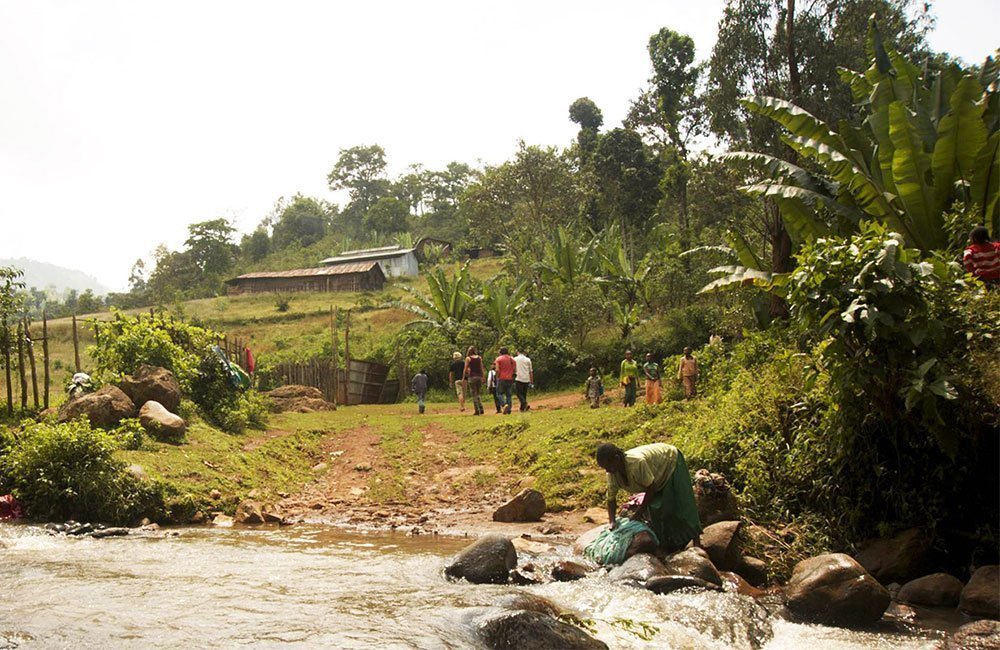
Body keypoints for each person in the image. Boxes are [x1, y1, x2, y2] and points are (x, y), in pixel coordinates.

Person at [596, 442, 702, 552]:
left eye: (608, 466)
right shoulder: (612, 473)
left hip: (669, 461)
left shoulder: (637, 463)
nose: (607, 470)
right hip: (654, 477)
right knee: (657, 508)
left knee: (683, 503)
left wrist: (639, 512)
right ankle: (669, 545)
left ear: (617, 458)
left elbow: (651, 487)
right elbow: (611, 498)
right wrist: (612, 521)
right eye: (604, 468)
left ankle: (696, 542)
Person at [463, 346, 485, 416]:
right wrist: (483, 377)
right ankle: (481, 408)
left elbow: (465, 368)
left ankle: (477, 410)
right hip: (479, 377)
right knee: (478, 393)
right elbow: (481, 368)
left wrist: (464, 377)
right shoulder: (479, 358)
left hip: (472, 377)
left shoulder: (468, 358)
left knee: (474, 394)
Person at [494, 347, 516, 415]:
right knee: (508, 394)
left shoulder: (498, 359)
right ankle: (509, 409)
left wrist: (497, 377)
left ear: (500, 352)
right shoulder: (512, 359)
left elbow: (497, 370)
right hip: (510, 378)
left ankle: (504, 405)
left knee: (499, 393)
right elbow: (514, 369)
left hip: (501, 378)